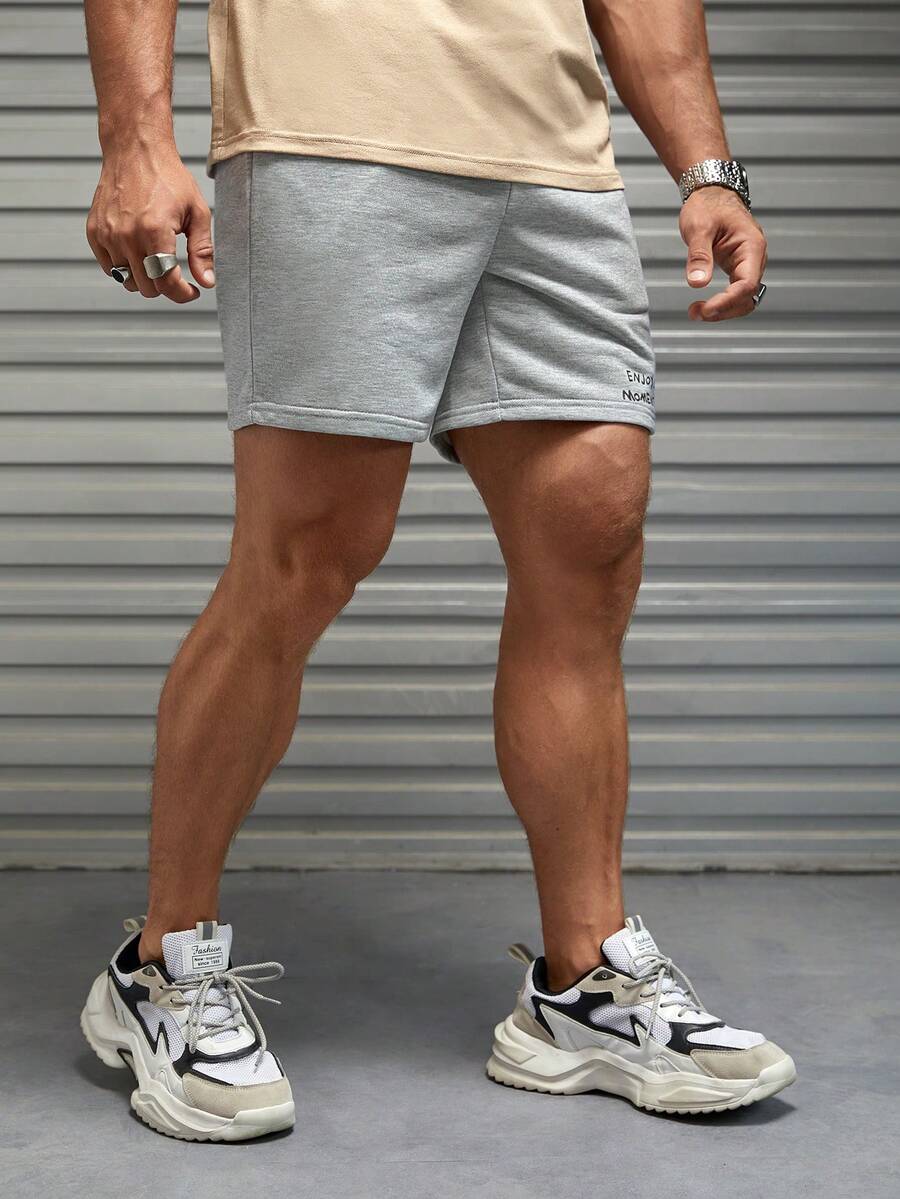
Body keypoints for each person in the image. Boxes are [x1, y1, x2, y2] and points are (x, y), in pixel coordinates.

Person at [78, 0, 793, 1141]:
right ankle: (161, 965)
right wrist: (135, 137)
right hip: (331, 136)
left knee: (591, 544)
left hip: (556, 164)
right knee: (307, 555)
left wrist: (707, 167)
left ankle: (582, 985)